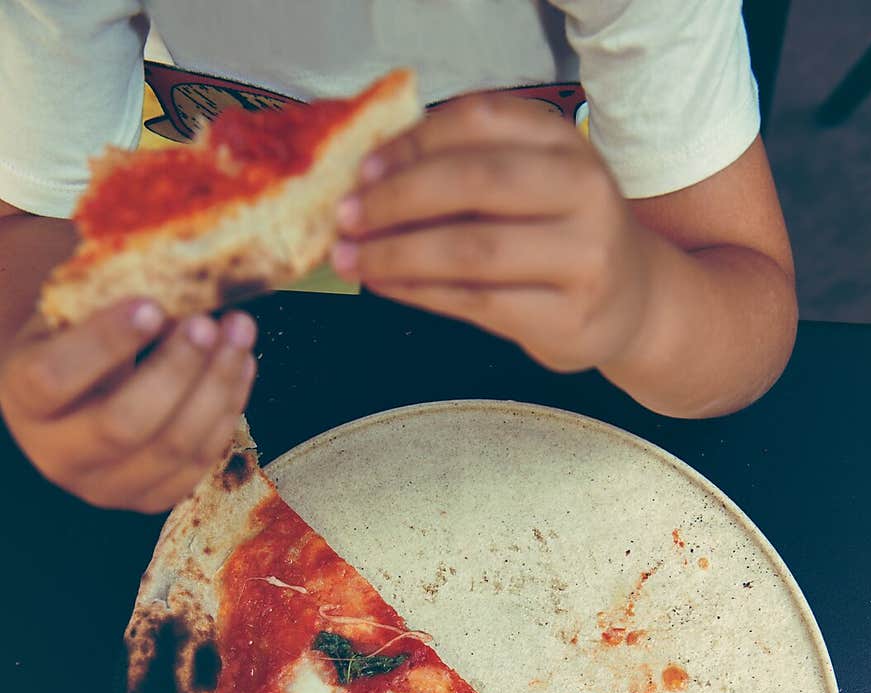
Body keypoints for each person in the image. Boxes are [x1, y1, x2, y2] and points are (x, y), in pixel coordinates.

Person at [0, 1, 797, 514]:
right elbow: (31, 220)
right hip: (213, 306)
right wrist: (45, 364)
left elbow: (746, 312)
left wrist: (641, 304)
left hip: (555, 320)